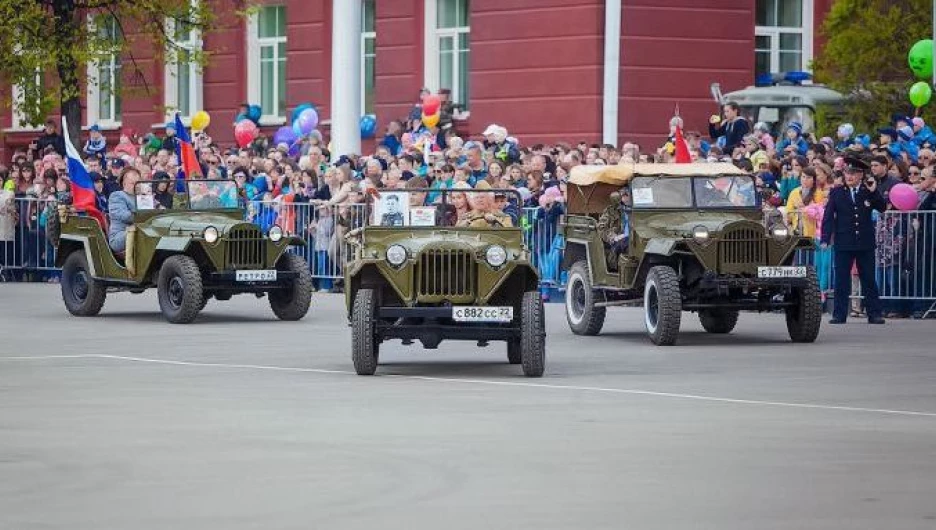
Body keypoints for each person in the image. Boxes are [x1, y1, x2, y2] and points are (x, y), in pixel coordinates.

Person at [821, 156, 886, 324]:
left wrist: (874, 192)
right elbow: (828, 217)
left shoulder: (867, 191)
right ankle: (839, 314)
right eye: (847, 172)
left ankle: (874, 313)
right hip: (844, 241)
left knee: (869, 279)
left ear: (861, 175)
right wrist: (825, 238)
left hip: (864, 242)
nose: (849, 176)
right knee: (841, 279)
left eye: (853, 173)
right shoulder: (837, 192)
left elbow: (882, 207)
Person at [108, 168, 141, 253]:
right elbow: (125, 216)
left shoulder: (142, 196)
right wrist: (144, 212)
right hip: (120, 234)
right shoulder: (117, 196)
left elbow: (158, 209)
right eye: (132, 183)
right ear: (124, 183)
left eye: (138, 183)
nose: (136, 186)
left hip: (138, 229)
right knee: (142, 232)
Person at [597, 190, 630, 268]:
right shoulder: (610, 211)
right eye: (623, 195)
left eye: (627, 194)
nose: (625, 197)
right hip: (618, 240)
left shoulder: (638, 209)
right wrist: (613, 237)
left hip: (632, 238)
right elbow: (601, 228)